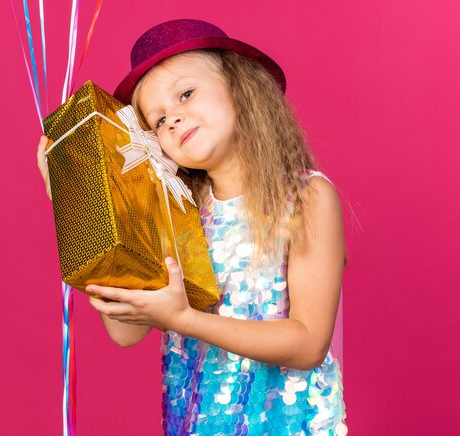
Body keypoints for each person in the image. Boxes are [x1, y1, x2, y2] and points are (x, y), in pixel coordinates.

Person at [37, 19, 347, 435]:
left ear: (240, 86)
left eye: (186, 94)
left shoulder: (305, 198)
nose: (174, 120)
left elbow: (308, 343)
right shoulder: (176, 215)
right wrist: (72, 194)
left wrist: (183, 319)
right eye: (158, 120)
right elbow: (125, 332)